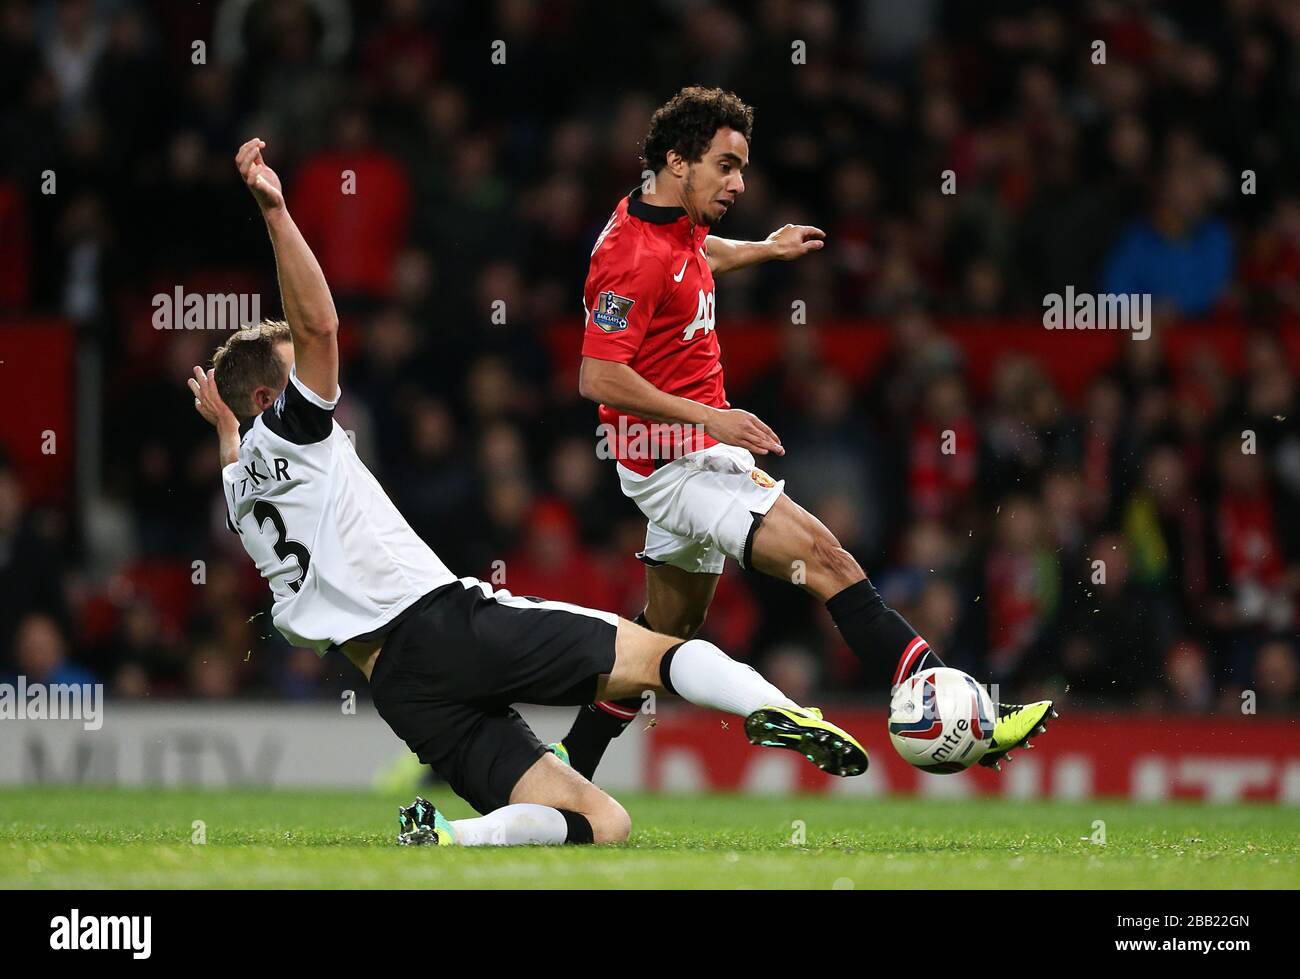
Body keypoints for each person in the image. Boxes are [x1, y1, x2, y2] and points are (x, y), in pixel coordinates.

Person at [186, 138, 868, 848]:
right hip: (441, 625)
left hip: (399, 685)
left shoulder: (239, 492)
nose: (318, 385)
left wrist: (224, 426)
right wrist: (277, 212)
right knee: (659, 653)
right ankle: (782, 708)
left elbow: (237, 459)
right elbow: (320, 323)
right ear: (269, 397)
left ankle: (448, 836)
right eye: (294, 380)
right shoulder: (293, 428)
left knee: (605, 823)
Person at [561, 86, 1054, 779]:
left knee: (662, 637)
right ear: (678, 161)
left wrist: (764, 249)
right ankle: (961, 716)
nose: (739, 183)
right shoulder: (630, 254)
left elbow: (699, 259)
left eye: (742, 168)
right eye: (726, 166)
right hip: (684, 459)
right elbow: (597, 376)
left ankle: (568, 763)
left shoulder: (673, 221)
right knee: (829, 559)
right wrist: (712, 418)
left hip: (678, 456)